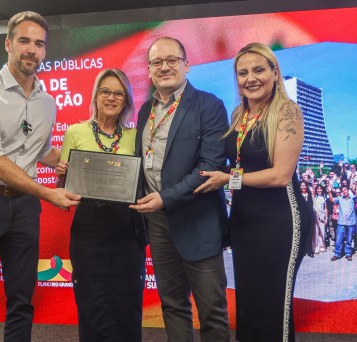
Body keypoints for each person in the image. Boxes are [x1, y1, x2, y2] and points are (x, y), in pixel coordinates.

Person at [0, 11, 81, 341]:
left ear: (44, 51)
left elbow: (39, 151)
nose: (31, 49)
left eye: (39, 44)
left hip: (24, 208)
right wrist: (47, 193)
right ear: (8, 44)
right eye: (24, 41)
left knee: (22, 301)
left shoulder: (47, 103)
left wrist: (76, 163)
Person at [194, 42, 311, 341]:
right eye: (243, 73)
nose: (251, 78)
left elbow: (280, 176)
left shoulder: (287, 111)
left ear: (274, 72)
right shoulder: (238, 115)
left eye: (259, 70)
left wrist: (228, 178)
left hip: (280, 221)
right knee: (248, 305)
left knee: (273, 307)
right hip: (244, 222)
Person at [129, 37, 230, 341]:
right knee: (172, 306)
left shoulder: (209, 105)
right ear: (149, 71)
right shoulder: (146, 109)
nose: (165, 67)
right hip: (158, 225)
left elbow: (209, 167)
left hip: (198, 221)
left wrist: (164, 198)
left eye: (172, 60)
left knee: (212, 309)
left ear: (187, 64)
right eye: (157, 62)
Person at [55, 69, 145, 341]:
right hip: (89, 228)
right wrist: (61, 174)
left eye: (118, 93)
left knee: (127, 300)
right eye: (105, 91)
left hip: (126, 228)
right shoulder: (75, 132)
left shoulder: (136, 135)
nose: (111, 97)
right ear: (95, 95)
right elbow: (63, 191)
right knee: (91, 300)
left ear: (126, 100)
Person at [329, 185, 357, 262]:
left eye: (345, 190)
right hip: (341, 222)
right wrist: (329, 192)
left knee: (349, 239)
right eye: (343, 191)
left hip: (350, 222)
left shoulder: (352, 198)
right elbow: (331, 200)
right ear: (341, 192)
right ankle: (337, 254)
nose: (344, 192)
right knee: (339, 239)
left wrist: (353, 187)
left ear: (348, 190)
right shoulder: (340, 199)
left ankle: (348, 254)